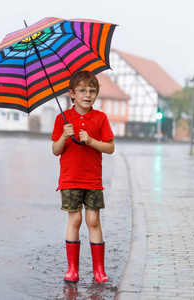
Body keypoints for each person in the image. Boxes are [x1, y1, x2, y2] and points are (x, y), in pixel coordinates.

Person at [51, 70, 115, 284]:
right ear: (71, 93)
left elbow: (110, 147)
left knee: (93, 220)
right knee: (75, 219)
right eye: (82, 90)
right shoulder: (62, 119)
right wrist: (64, 136)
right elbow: (56, 150)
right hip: (69, 180)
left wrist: (90, 141)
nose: (87, 95)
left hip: (93, 180)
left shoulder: (100, 118)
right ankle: (72, 269)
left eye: (92, 91)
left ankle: (99, 270)